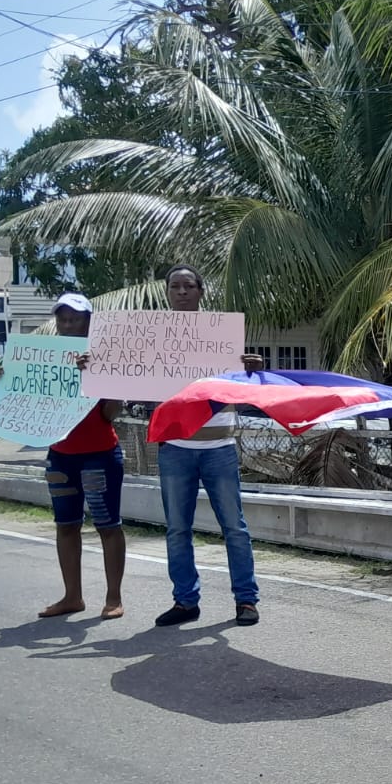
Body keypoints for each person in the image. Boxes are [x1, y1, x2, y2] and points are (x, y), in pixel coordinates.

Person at [153, 265, 262, 627]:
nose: (181, 291)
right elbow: (123, 373)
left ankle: (246, 600)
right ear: (167, 292)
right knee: (177, 529)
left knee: (234, 527)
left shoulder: (222, 337)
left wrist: (253, 370)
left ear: (201, 291)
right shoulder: (152, 338)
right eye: (175, 286)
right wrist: (92, 368)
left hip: (219, 446)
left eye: (188, 286)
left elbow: (243, 388)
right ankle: (185, 601)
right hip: (175, 448)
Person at [39, 293, 126, 620]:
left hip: (99, 455)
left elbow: (109, 414)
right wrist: (4, 382)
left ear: (89, 322)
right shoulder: (45, 360)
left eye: (74, 318)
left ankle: (113, 597)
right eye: (62, 319)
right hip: (60, 455)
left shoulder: (104, 358)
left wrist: (104, 380)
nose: (67, 324)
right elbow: (28, 398)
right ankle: (71, 597)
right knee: (66, 525)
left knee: (108, 525)